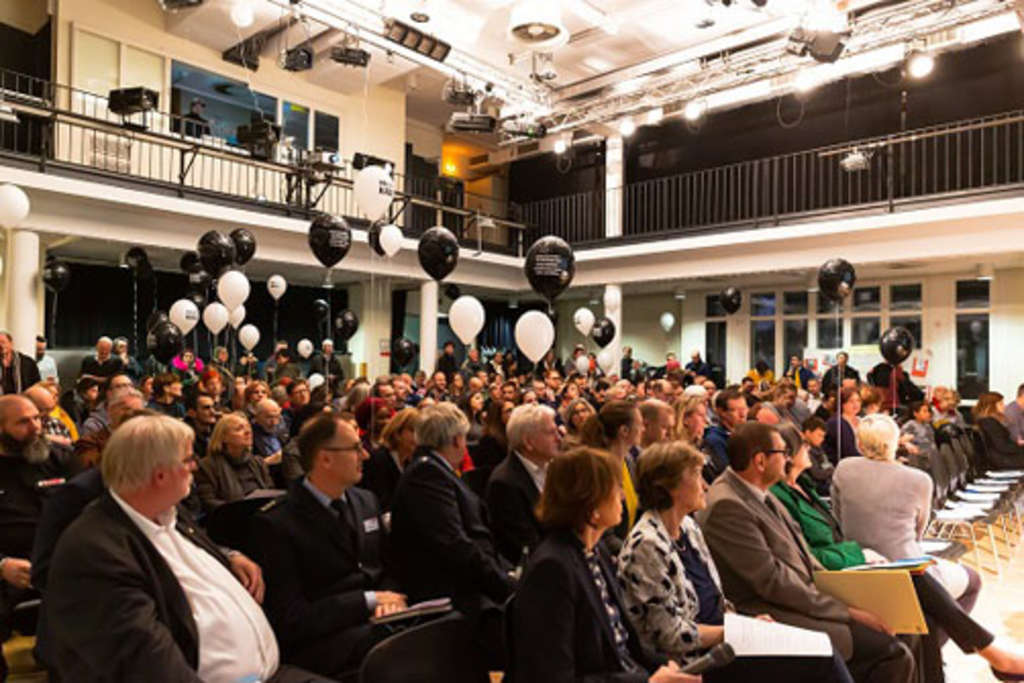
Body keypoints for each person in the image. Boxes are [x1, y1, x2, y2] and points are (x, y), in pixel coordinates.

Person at [44, 415, 330, 682]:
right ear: (159, 475)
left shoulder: (169, 514)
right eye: (188, 459)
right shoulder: (96, 551)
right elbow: (146, 664)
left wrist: (230, 556)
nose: (195, 465)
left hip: (270, 672)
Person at [774, 420, 1024, 682]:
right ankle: (992, 652)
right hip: (841, 571)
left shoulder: (822, 479)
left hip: (858, 561)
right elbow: (809, 552)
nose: (810, 449)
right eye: (803, 445)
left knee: (920, 602)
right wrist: (860, 554)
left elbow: (838, 523)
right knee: (918, 578)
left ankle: (966, 658)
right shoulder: (784, 496)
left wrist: (860, 550)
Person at [698, 422, 914, 683]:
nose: (787, 459)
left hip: (801, 599)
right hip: (770, 614)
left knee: (905, 624)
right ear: (760, 461)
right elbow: (773, 583)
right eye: (782, 453)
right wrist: (846, 611)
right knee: (890, 652)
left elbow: (803, 558)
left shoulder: (758, 491)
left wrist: (854, 596)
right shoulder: (728, 506)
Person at [619, 440, 852, 682]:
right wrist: (733, 633)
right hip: (695, 659)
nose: (704, 485)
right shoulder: (646, 544)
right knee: (822, 660)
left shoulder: (688, 527)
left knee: (823, 648)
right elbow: (669, 635)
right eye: (697, 475)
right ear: (670, 486)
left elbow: (715, 601)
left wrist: (746, 625)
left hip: (723, 640)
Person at [509, 447, 695, 683]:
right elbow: (553, 676)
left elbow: (624, 643)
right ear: (592, 505)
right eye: (616, 488)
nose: (623, 496)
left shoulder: (594, 550)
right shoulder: (552, 569)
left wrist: (666, 667)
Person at [250, 412, 404, 677]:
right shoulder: (278, 522)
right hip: (326, 641)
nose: (365, 455)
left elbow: (388, 566)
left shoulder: (365, 501)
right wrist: (367, 601)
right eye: (355, 448)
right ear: (325, 458)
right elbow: (291, 618)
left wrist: (387, 600)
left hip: (379, 622)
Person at [389, 403, 515, 668]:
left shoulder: (433, 469)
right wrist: (503, 584)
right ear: (457, 440)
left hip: (468, 580)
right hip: (450, 592)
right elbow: (454, 544)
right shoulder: (427, 474)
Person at [0, 395, 72, 677]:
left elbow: (92, 513)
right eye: (23, 422)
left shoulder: (61, 459)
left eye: (37, 418)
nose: (36, 427)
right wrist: (2, 565)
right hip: (11, 571)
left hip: (65, 566)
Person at [486, 404, 561, 565]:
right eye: (551, 432)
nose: (559, 438)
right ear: (528, 442)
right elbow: (526, 546)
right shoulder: (505, 483)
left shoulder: (555, 467)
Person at [580, 400, 644, 549]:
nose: (643, 429)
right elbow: (604, 536)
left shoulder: (628, 461)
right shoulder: (597, 470)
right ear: (624, 431)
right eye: (640, 424)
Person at [195, 412, 274, 513]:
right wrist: (240, 510)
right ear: (223, 437)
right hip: (230, 520)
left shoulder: (258, 462)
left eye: (248, 427)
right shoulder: (207, 466)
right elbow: (208, 502)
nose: (248, 432)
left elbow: (270, 491)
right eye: (239, 429)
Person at [359, 408, 419, 512]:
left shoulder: (411, 462)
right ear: (397, 433)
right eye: (413, 431)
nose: (418, 438)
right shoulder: (378, 460)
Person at [74, 387, 145, 469]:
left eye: (139, 411)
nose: (133, 415)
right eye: (127, 409)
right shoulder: (89, 443)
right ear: (110, 410)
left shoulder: (151, 439)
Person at [702, 389, 748, 484]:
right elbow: (727, 473)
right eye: (736, 410)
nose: (743, 415)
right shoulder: (714, 440)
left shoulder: (747, 433)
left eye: (744, 409)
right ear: (721, 412)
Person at [974, 391, 1024, 469]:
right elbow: (1003, 446)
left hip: (1003, 458)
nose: (1004, 406)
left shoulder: (989, 421)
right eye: (1000, 404)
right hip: (1002, 460)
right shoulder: (989, 422)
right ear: (991, 406)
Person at [823, 386, 862, 464]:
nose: (856, 404)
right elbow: (848, 451)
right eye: (851, 401)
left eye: (858, 400)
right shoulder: (835, 423)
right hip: (844, 465)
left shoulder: (861, 420)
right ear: (842, 404)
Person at [473, 398, 512, 470]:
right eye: (508, 411)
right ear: (498, 414)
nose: (513, 413)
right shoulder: (490, 439)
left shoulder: (511, 433)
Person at [802, 416, 834, 496]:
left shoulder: (818, 448)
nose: (822, 439)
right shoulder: (804, 449)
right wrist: (831, 471)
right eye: (819, 435)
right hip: (818, 487)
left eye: (823, 436)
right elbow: (816, 474)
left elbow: (826, 464)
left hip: (827, 482)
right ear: (808, 433)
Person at [899, 401, 937, 467]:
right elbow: (903, 440)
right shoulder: (910, 425)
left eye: (928, 411)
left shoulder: (928, 426)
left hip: (929, 455)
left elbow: (932, 441)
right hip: (915, 457)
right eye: (924, 411)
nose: (928, 414)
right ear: (915, 413)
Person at [252, 398, 285, 465]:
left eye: (277, 417)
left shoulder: (281, 431)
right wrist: (268, 461)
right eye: (269, 417)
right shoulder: (250, 435)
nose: (274, 422)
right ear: (257, 416)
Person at [186, 393, 218, 459]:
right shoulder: (185, 436)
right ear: (192, 413)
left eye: (213, 407)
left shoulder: (218, 428)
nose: (213, 412)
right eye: (206, 408)